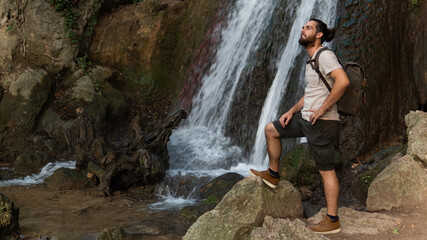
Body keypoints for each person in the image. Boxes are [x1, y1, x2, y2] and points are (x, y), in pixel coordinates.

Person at [249, 18, 350, 235]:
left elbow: (342, 81)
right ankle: (273, 175)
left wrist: (322, 110)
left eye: (308, 28)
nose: (303, 30)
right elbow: (310, 94)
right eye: (303, 27)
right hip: (306, 120)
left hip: (322, 123)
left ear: (319, 34)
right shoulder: (311, 60)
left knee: (326, 170)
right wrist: (291, 111)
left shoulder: (325, 56)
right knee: (271, 130)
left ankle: (332, 220)